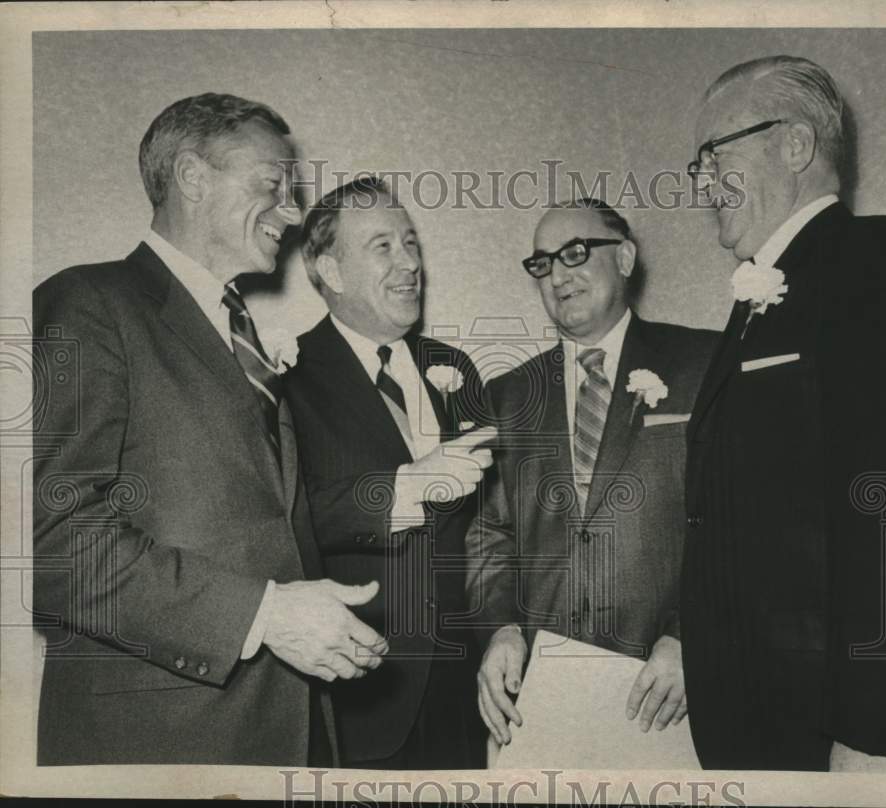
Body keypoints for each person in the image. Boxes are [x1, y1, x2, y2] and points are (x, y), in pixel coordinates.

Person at [32, 93, 387, 766]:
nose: (291, 212)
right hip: (159, 743)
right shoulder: (88, 304)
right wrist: (263, 615)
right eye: (272, 185)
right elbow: (48, 542)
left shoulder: (237, 332)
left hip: (287, 730)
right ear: (192, 177)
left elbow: (267, 518)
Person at [681, 55, 886, 773]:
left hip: (839, 729)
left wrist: (878, 732)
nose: (701, 183)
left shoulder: (873, 255)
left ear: (795, 144)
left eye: (715, 154)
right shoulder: (758, 302)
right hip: (760, 725)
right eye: (698, 165)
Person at [468, 198, 718, 749]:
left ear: (625, 258)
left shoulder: (704, 363)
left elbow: (738, 520)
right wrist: (501, 628)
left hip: (669, 688)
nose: (557, 275)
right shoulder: (508, 395)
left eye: (575, 253)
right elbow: (490, 533)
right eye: (542, 263)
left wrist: (691, 636)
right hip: (541, 695)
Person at [285, 176, 495, 769]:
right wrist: (405, 487)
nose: (409, 263)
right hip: (361, 693)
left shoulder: (454, 367)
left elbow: (491, 525)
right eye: (383, 247)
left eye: (410, 243)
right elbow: (285, 518)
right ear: (330, 270)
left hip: (463, 689)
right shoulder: (286, 377)